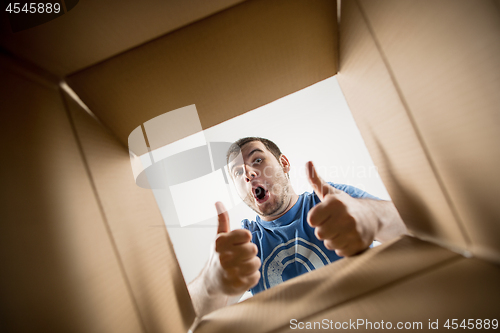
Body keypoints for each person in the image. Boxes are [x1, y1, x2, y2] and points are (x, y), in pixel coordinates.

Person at [188, 137, 407, 317]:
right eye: (237, 172)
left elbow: (416, 225)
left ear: (284, 163)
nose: (248, 174)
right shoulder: (245, 246)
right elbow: (188, 319)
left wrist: (374, 218)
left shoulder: (332, 202)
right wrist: (210, 283)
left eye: (257, 160)